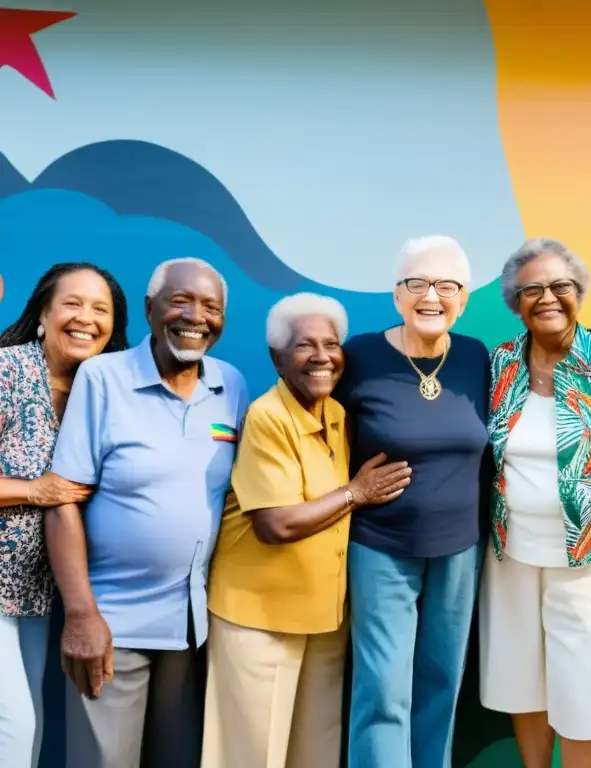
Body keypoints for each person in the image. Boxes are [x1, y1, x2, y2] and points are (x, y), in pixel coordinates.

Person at [45, 257, 249, 768]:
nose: (196, 316)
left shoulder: (231, 386)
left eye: (211, 307)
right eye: (181, 301)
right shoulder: (102, 378)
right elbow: (63, 501)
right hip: (112, 627)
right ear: (149, 309)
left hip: (190, 629)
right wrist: (82, 616)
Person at [201, 293, 411, 768]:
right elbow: (275, 524)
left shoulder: (337, 415)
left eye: (331, 344)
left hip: (323, 619)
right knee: (252, 755)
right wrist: (356, 493)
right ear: (277, 358)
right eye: (304, 345)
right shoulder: (268, 417)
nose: (321, 356)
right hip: (260, 618)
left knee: (314, 755)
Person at [480, 239, 591, 768]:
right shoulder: (501, 363)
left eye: (560, 286)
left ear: (579, 293)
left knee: (583, 678)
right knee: (519, 673)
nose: (546, 298)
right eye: (532, 289)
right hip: (511, 549)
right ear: (515, 301)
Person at [334, 235, 491, 768]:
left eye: (447, 285)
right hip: (381, 546)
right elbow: (322, 434)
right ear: (396, 294)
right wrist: (350, 490)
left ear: (463, 297)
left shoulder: (474, 356)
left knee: (441, 683)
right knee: (382, 688)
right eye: (417, 283)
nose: (432, 296)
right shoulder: (361, 355)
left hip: (459, 550)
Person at [0, 263, 129, 768]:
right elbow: (51, 492)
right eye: (72, 304)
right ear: (43, 315)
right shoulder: (7, 371)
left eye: (100, 309)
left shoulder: (106, 392)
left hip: (36, 597)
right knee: (14, 725)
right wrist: (36, 491)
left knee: (28, 725)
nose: (85, 319)